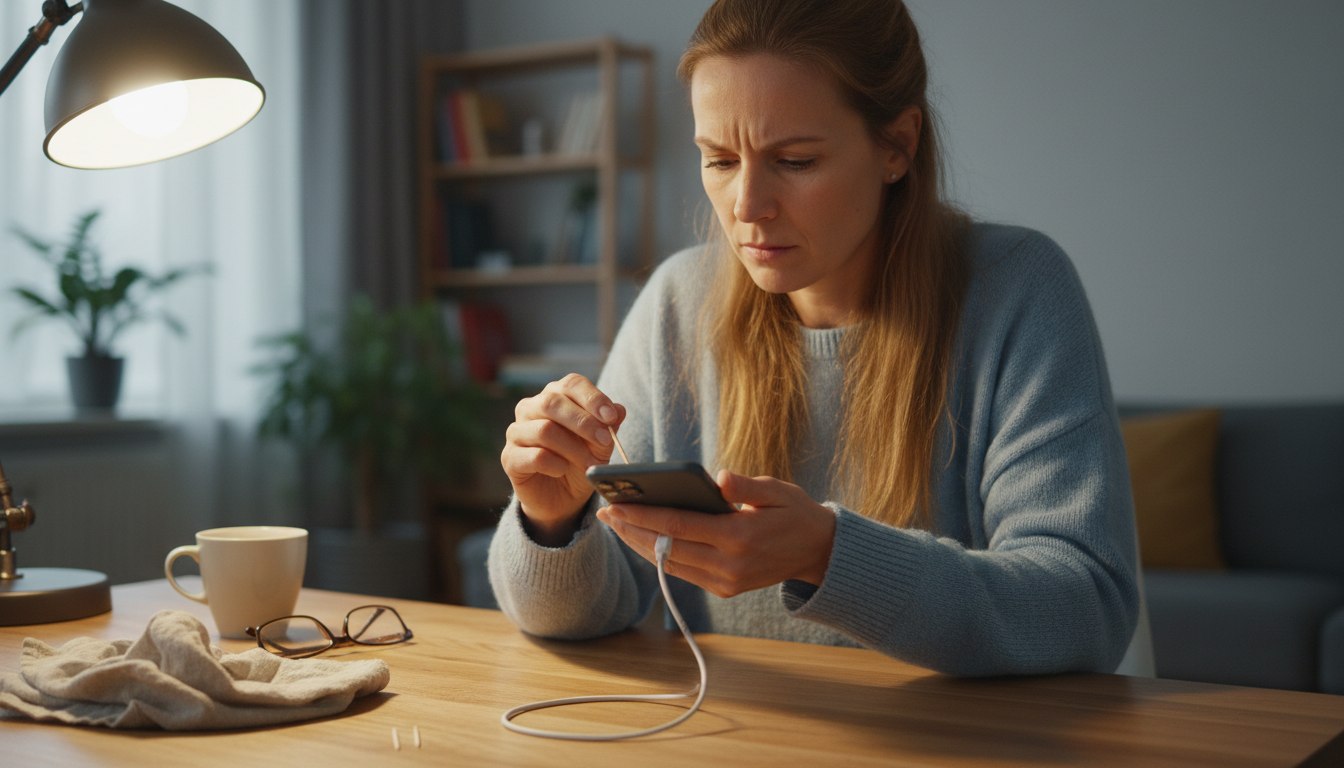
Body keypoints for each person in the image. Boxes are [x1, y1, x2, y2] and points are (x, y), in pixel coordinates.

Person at [489, 0, 1139, 677]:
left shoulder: (1018, 289)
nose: (746, 206)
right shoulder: (680, 301)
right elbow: (595, 612)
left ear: (897, 146)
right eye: (718, 159)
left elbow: (1085, 609)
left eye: (794, 160)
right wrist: (551, 520)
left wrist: (830, 556)